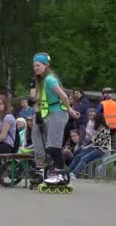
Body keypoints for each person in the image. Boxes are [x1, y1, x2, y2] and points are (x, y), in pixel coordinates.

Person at [31, 52, 80, 185]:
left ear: (46, 65)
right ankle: (57, 174)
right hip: (52, 113)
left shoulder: (49, 79)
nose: (36, 68)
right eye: (34, 66)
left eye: (38, 65)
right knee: (51, 146)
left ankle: (61, 176)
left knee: (54, 146)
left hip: (58, 113)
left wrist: (69, 110)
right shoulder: (42, 80)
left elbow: (63, 96)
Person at [69, 114, 111, 178]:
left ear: (98, 121)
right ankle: (67, 172)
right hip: (95, 148)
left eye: (94, 121)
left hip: (101, 150)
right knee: (77, 157)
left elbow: (97, 143)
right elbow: (94, 142)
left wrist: (89, 136)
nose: (93, 123)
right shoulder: (100, 129)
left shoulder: (105, 130)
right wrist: (86, 146)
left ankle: (74, 174)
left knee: (84, 158)